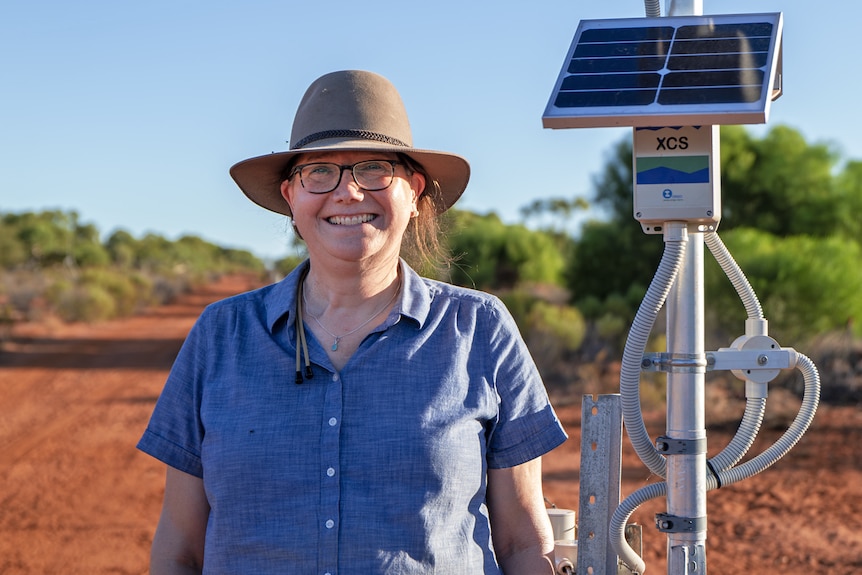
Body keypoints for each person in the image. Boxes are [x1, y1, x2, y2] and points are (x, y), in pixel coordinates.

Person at [138, 69, 568, 575]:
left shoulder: (480, 330)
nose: (347, 193)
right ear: (290, 198)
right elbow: (179, 548)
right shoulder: (220, 335)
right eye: (319, 172)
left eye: (374, 170)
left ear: (413, 192)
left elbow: (521, 542)